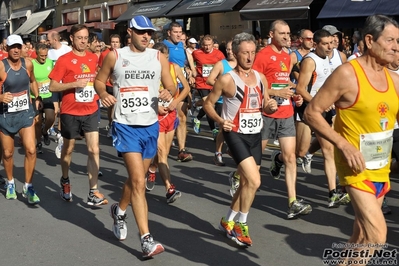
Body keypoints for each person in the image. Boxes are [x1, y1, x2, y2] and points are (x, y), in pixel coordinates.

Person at [304, 15, 399, 265]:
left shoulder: (395, 80)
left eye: (398, 41)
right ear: (369, 40)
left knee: (361, 236)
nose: (396, 46)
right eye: (390, 40)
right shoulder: (347, 74)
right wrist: (343, 145)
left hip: (381, 167)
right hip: (355, 166)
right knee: (377, 235)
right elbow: (312, 112)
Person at [94, 15, 176, 258]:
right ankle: (146, 239)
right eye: (142, 32)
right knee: (139, 181)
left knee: (136, 178)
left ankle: (119, 212)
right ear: (130, 32)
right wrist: (103, 94)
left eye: (149, 32)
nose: (147, 36)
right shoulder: (115, 56)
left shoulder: (157, 57)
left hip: (150, 125)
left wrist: (167, 93)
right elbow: (99, 80)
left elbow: (171, 86)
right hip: (125, 125)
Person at [204, 32, 277, 247]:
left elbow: (264, 104)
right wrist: (220, 120)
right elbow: (208, 103)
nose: (249, 57)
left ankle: (227, 220)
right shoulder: (227, 79)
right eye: (245, 53)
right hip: (234, 133)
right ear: (236, 54)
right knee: (255, 181)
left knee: (246, 183)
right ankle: (241, 225)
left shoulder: (260, 78)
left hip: (255, 134)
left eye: (253, 52)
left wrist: (269, 106)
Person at [252, 20, 311, 219]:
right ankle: (238, 176)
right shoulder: (262, 55)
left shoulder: (287, 56)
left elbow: (284, 80)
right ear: (272, 34)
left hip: (285, 112)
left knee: (290, 156)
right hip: (266, 113)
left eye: (288, 33)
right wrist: (276, 92)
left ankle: (292, 202)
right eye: (282, 33)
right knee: (255, 158)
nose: (287, 36)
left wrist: (294, 95)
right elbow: (254, 86)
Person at [48, 24, 108, 206]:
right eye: (80, 38)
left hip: (90, 110)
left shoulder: (93, 58)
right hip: (70, 111)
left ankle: (93, 191)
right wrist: (73, 84)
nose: (83, 41)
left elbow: (98, 79)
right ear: (72, 39)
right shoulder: (64, 60)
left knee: (94, 149)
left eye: (85, 38)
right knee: (68, 150)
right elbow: (52, 86)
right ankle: (65, 180)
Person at [296, 29, 350, 207]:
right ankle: (333, 193)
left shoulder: (337, 57)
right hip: (315, 109)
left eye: (331, 43)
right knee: (327, 150)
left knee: (338, 147)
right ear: (316, 44)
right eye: (325, 44)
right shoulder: (310, 61)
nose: (329, 47)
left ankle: (340, 188)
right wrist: (319, 103)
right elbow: (301, 89)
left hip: (332, 108)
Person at [0, 34, 42, 204]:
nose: (16, 50)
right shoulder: (1, 67)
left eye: (19, 46)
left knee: (31, 149)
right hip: (6, 114)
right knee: (8, 154)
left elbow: (32, 82)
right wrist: (1, 97)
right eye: (12, 47)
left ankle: (28, 186)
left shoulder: (28, 64)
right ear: (7, 49)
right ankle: (10, 182)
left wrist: (37, 97)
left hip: (25, 113)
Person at [146, 42, 190, 204]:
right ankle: (169, 188)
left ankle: (152, 168)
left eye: (164, 58)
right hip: (155, 115)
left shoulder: (174, 68)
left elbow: (186, 88)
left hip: (170, 115)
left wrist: (175, 102)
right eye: (158, 58)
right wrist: (155, 106)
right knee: (162, 151)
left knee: (163, 152)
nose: (161, 62)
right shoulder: (148, 70)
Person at [163, 22, 196, 162]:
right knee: (167, 117)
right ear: (169, 33)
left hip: (180, 86)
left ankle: (182, 150)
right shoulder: (163, 46)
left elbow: (183, 65)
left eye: (180, 32)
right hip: (165, 88)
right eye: (175, 32)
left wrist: (188, 71)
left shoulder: (181, 46)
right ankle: (162, 147)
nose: (178, 34)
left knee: (182, 116)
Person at [206, 40, 236, 167]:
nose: (229, 52)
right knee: (223, 129)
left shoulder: (242, 64)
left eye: (231, 49)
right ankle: (218, 153)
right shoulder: (222, 64)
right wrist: (223, 89)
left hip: (237, 102)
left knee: (236, 128)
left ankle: (233, 149)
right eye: (227, 49)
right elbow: (209, 80)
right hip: (222, 101)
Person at [192, 35, 225, 137]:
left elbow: (223, 66)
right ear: (202, 45)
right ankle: (213, 129)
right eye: (205, 45)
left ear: (213, 44)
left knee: (208, 104)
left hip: (214, 83)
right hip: (202, 83)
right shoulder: (196, 53)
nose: (207, 47)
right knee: (210, 105)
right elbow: (189, 62)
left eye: (209, 45)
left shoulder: (218, 54)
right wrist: (190, 70)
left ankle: (197, 115)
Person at [47, 31, 72, 136]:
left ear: (55, 40)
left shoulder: (67, 50)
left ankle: (60, 130)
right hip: (53, 84)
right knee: (55, 109)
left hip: (65, 85)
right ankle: (50, 127)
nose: (48, 42)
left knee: (63, 109)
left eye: (49, 40)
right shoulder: (49, 52)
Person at [32, 43, 55, 153]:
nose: (44, 58)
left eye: (45, 55)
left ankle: (45, 131)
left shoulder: (50, 63)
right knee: (38, 120)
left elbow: (55, 76)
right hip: (35, 96)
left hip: (48, 95)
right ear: (36, 54)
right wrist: (36, 84)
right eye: (41, 56)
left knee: (50, 118)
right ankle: (38, 141)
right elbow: (28, 81)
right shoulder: (31, 64)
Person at [98, 34, 121, 138]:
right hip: (109, 84)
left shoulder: (124, 53)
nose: (114, 44)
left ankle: (119, 126)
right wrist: (106, 79)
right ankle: (111, 124)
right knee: (111, 106)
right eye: (113, 42)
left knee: (119, 105)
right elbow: (99, 68)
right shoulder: (105, 54)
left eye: (116, 42)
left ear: (120, 43)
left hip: (121, 84)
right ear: (110, 43)